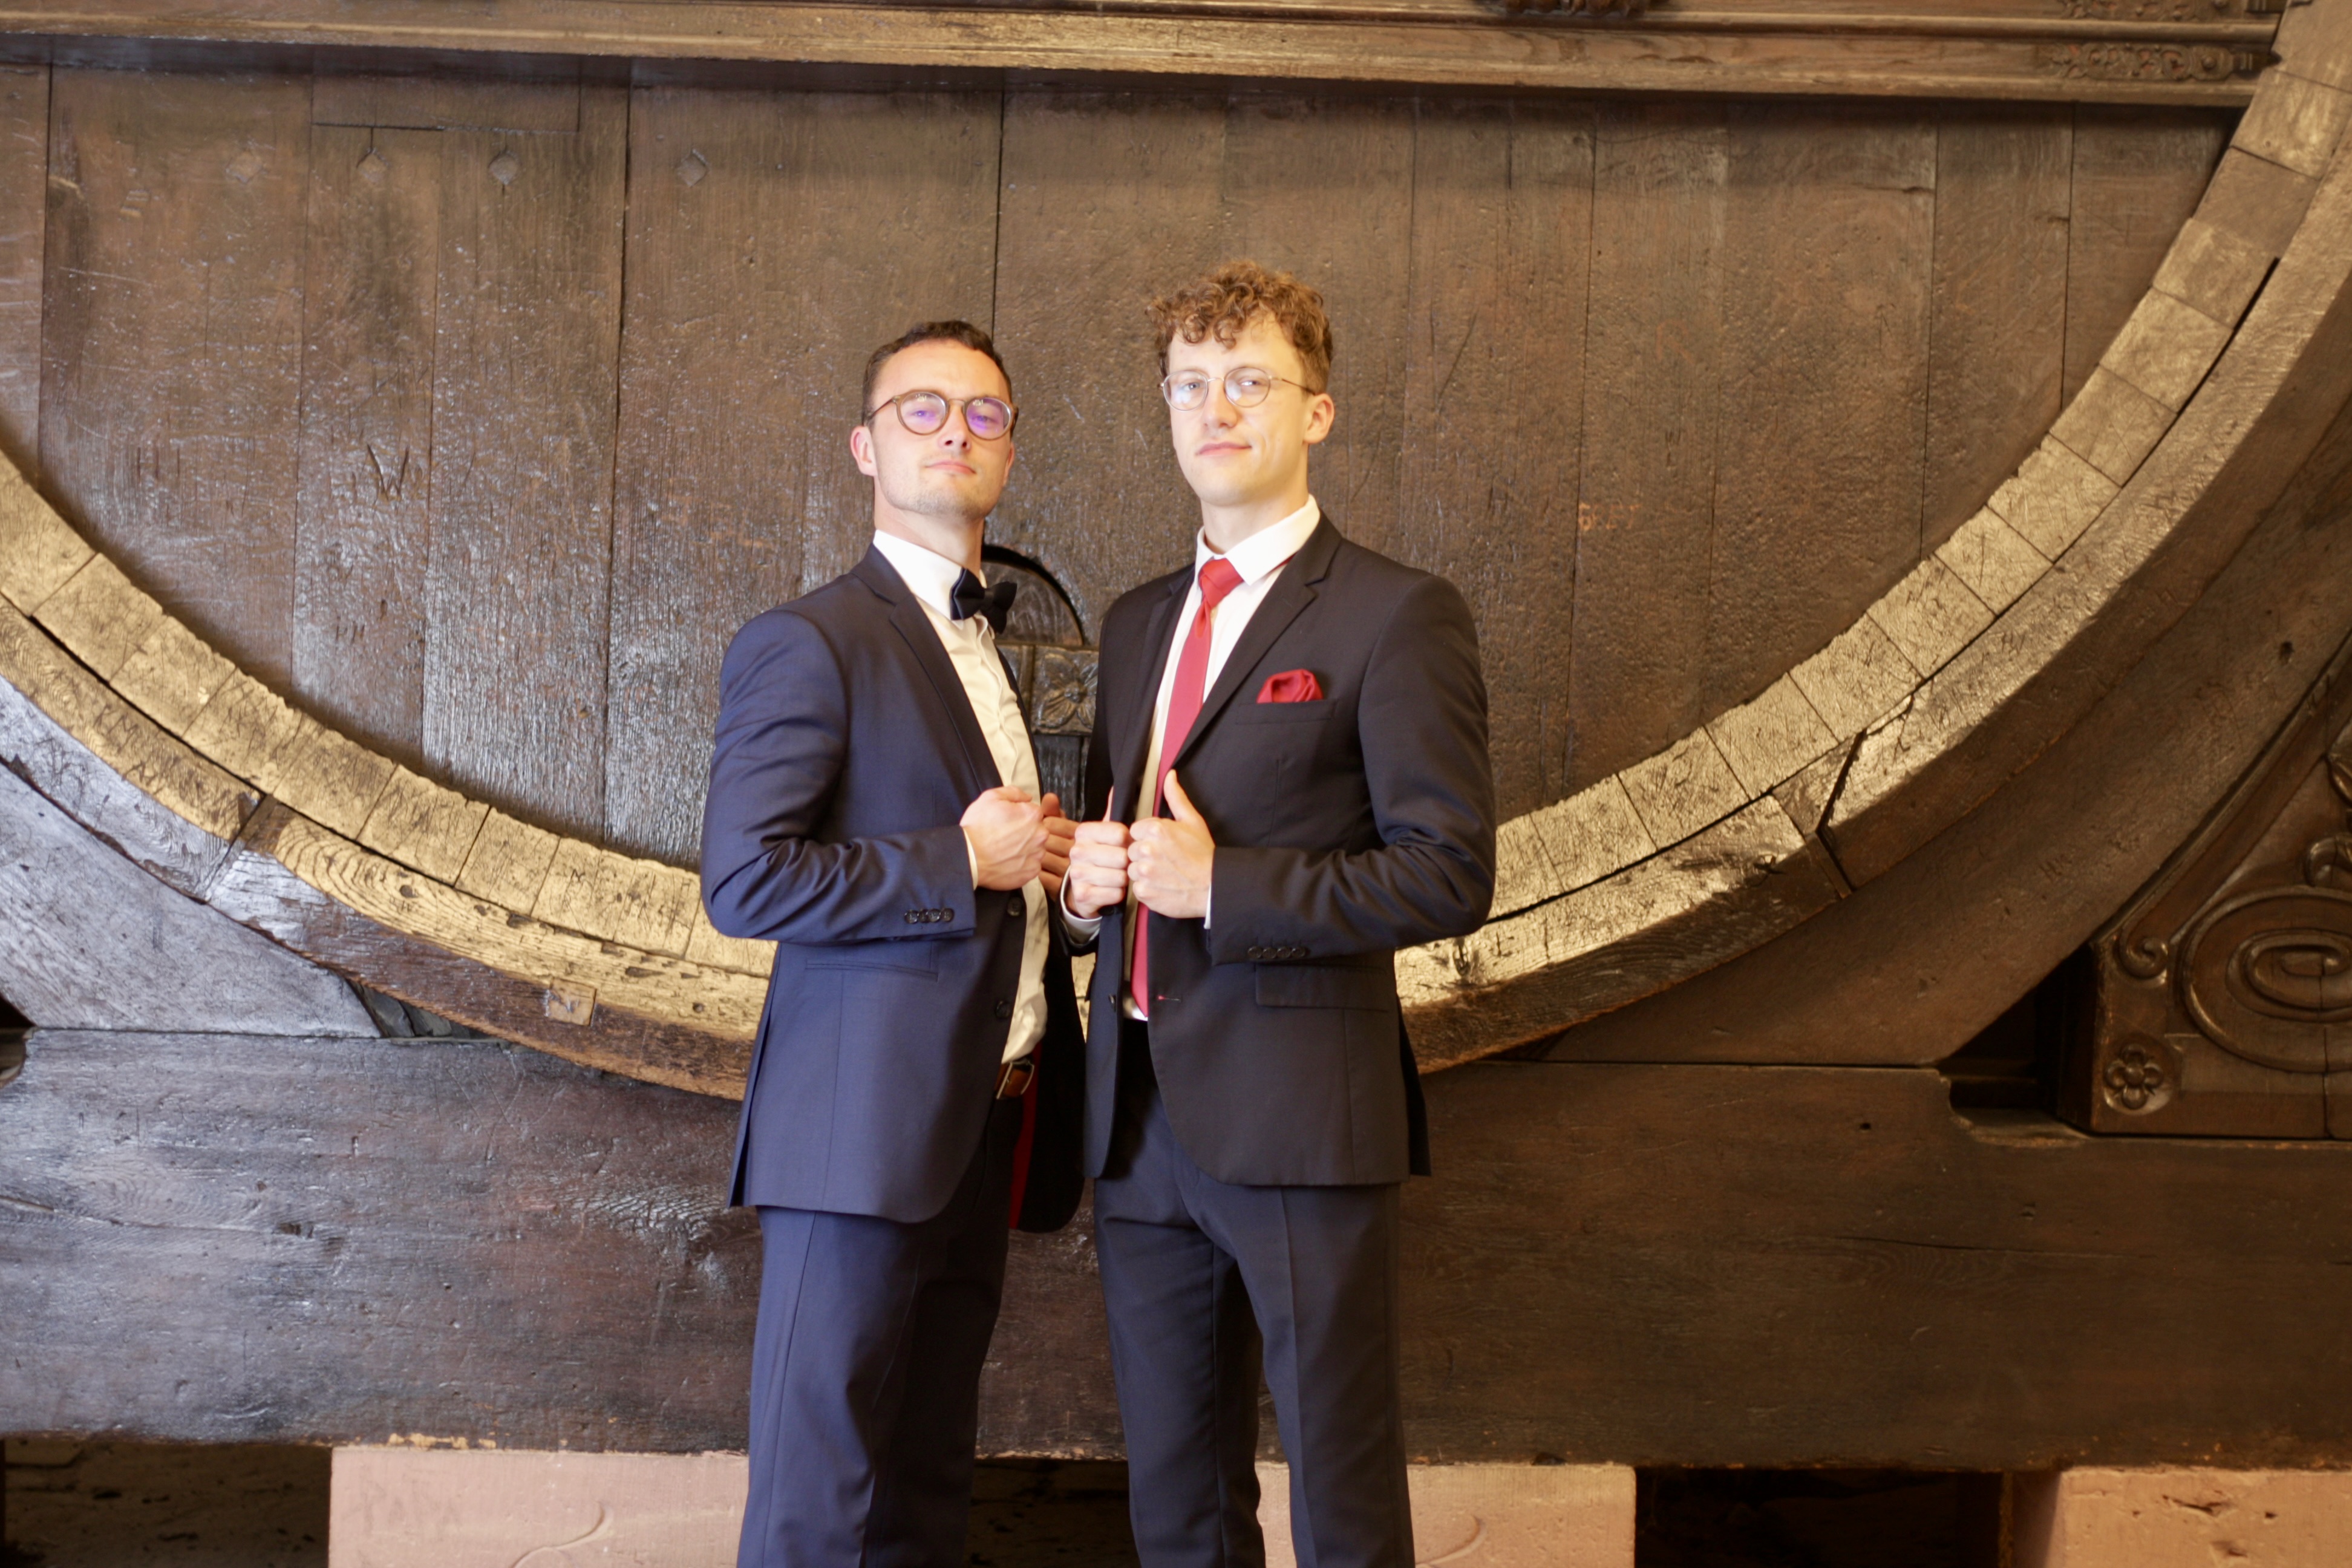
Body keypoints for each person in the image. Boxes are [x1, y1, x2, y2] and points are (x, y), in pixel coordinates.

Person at [1059, 261, 1497, 1568]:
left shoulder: (1397, 615)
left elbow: (1448, 873)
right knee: (1177, 1509)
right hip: (1135, 1117)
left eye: (1249, 381)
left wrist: (1225, 887)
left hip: (1304, 1121)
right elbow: (1126, 838)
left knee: (1342, 1501)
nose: (1215, 409)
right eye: (1190, 384)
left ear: (1318, 412)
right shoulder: (1136, 622)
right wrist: (1087, 888)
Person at [701, 319, 1085, 1568]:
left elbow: (1005, 885)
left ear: (1010, 452)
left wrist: (1062, 887)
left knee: (923, 1495)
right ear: (865, 447)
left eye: (984, 414)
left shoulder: (985, 647)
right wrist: (958, 860)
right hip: (854, 1143)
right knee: (820, 1506)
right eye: (922, 408)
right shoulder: (807, 639)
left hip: (985, 1130)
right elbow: (745, 879)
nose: (955, 432)